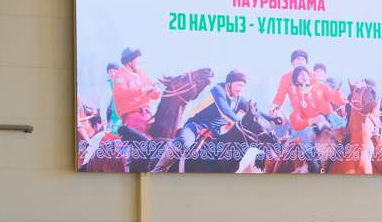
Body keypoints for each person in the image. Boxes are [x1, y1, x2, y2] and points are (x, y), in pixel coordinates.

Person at [151, 70, 281, 172]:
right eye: (239, 85)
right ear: (229, 83)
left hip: (215, 132)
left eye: (242, 86)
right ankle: (158, 169)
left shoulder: (238, 98)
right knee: (184, 142)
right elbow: (224, 111)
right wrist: (239, 124)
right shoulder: (218, 90)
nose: (240, 89)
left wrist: (271, 119)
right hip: (196, 127)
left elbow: (254, 112)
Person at [112, 47, 161, 136]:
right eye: (136, 60)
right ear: (129, 61)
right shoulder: (120, 75)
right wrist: (143, 90)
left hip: (148, 115)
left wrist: (156, 92)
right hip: (131, 117)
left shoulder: (142, 74)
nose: (139, 62)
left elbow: (154, 96)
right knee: (141, 138)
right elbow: (121, 92)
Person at [270, 49, 309, 116]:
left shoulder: (312, 76)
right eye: (298, 59)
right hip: (297, 115)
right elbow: (279, 96)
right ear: (292, 62)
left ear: (306, 63)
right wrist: (275, 107)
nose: (300, 61)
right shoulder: (286, 78)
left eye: (303, 59)